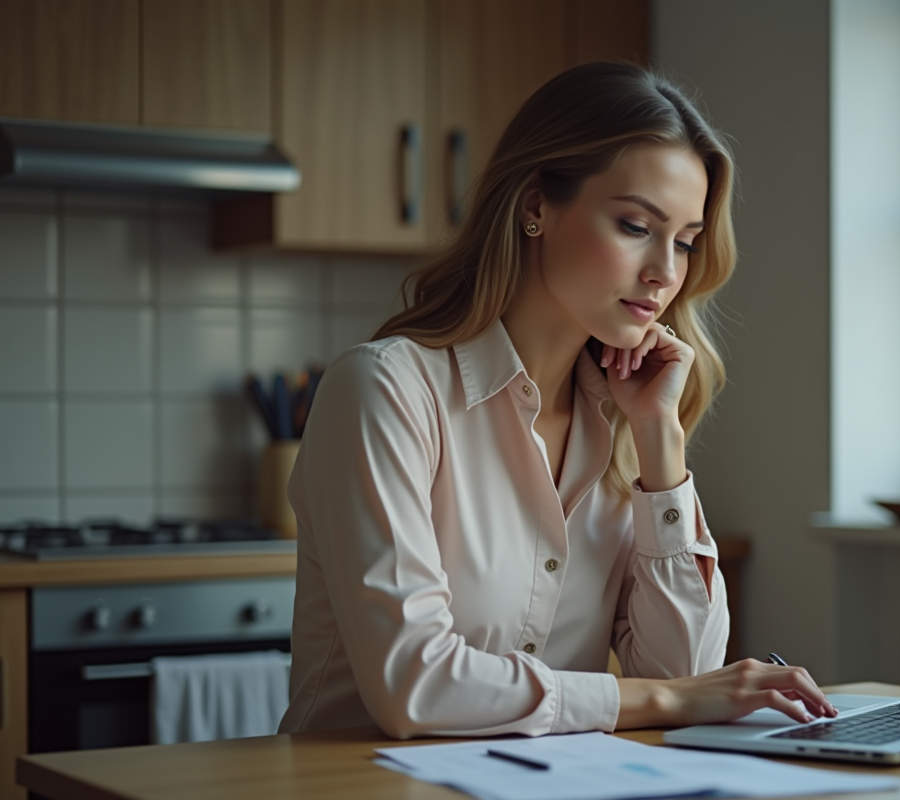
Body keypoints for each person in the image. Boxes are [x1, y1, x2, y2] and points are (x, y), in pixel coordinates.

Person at [279, 61, 836, 739]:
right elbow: (415, 686)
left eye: (686, 242)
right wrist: (665, 701)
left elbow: (683, 671)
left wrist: (659, 438)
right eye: (636, 226)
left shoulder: (625, 424)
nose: (665, 271)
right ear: (536, 206)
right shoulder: (385, 391)